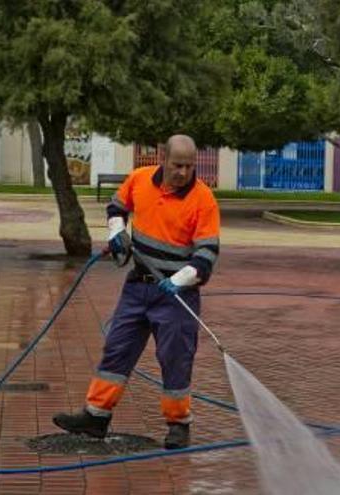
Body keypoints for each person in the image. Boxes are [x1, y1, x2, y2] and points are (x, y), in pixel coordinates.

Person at [53, 134, 220, 449]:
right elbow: (116, 206)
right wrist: (117, 232)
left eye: (189, 166)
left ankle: (178, 425)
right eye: (177, 165)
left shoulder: (203, 199)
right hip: (137, 286)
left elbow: (207, 256)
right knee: (118, 348)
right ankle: (96, 416)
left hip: (176, 296)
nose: (183, 172)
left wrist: (180, 279)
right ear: (163, 159)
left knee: (175, 358)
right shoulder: (140, 180)